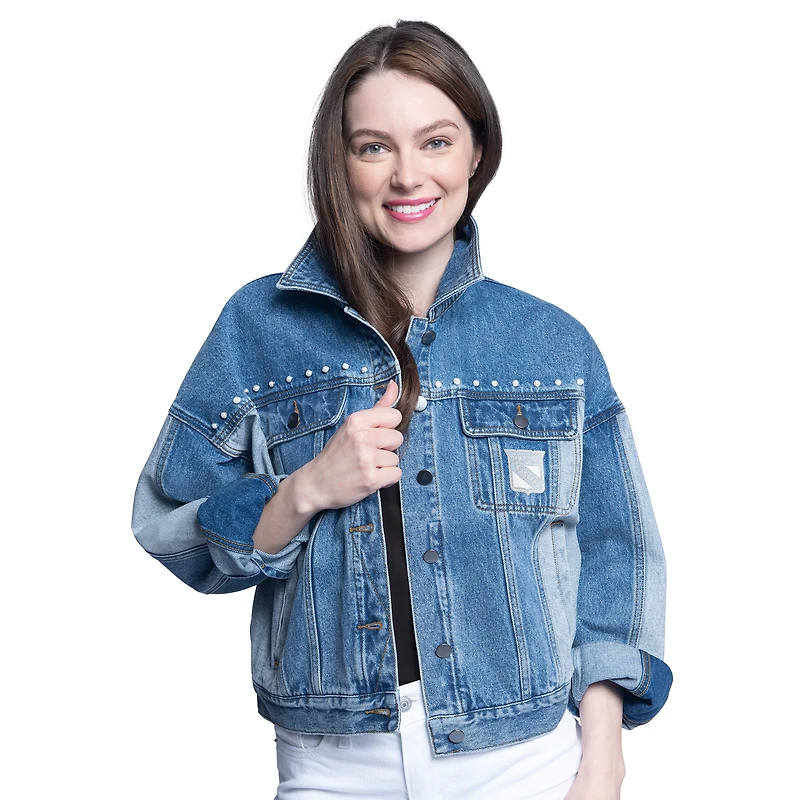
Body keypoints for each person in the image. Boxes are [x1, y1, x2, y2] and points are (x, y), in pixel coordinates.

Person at [132, 19, 672, 800]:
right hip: (331, 766)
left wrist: (604, 757)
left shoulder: (551, 344)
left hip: (525, 762)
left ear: (476, 152)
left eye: (436, 142)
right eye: (374, 147)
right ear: (340, 160)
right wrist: (301, 492)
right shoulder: (260, 328)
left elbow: (616, 554)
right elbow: (167, 521)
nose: (408, 176)